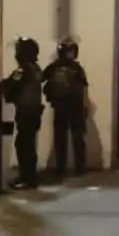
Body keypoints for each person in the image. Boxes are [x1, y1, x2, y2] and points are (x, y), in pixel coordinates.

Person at [41, 38, 91, 179]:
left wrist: (84, 105)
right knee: (61, 138)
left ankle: (79, 167)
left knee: (77, 138)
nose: (72, 54)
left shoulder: (75, 68)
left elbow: (83, 88)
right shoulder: (55, 67)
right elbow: (41, 78)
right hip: (61, 106)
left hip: (74, 106)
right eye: (70, 51)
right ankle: (61, 167)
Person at [3, 37, 46, 190]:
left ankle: (27, 178)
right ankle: (29, 176)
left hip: (26, 112)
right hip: (33, 111)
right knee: (28, 144)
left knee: (23, 145)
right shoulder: (36, 69)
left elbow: (10, 86)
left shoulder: (23, 70)